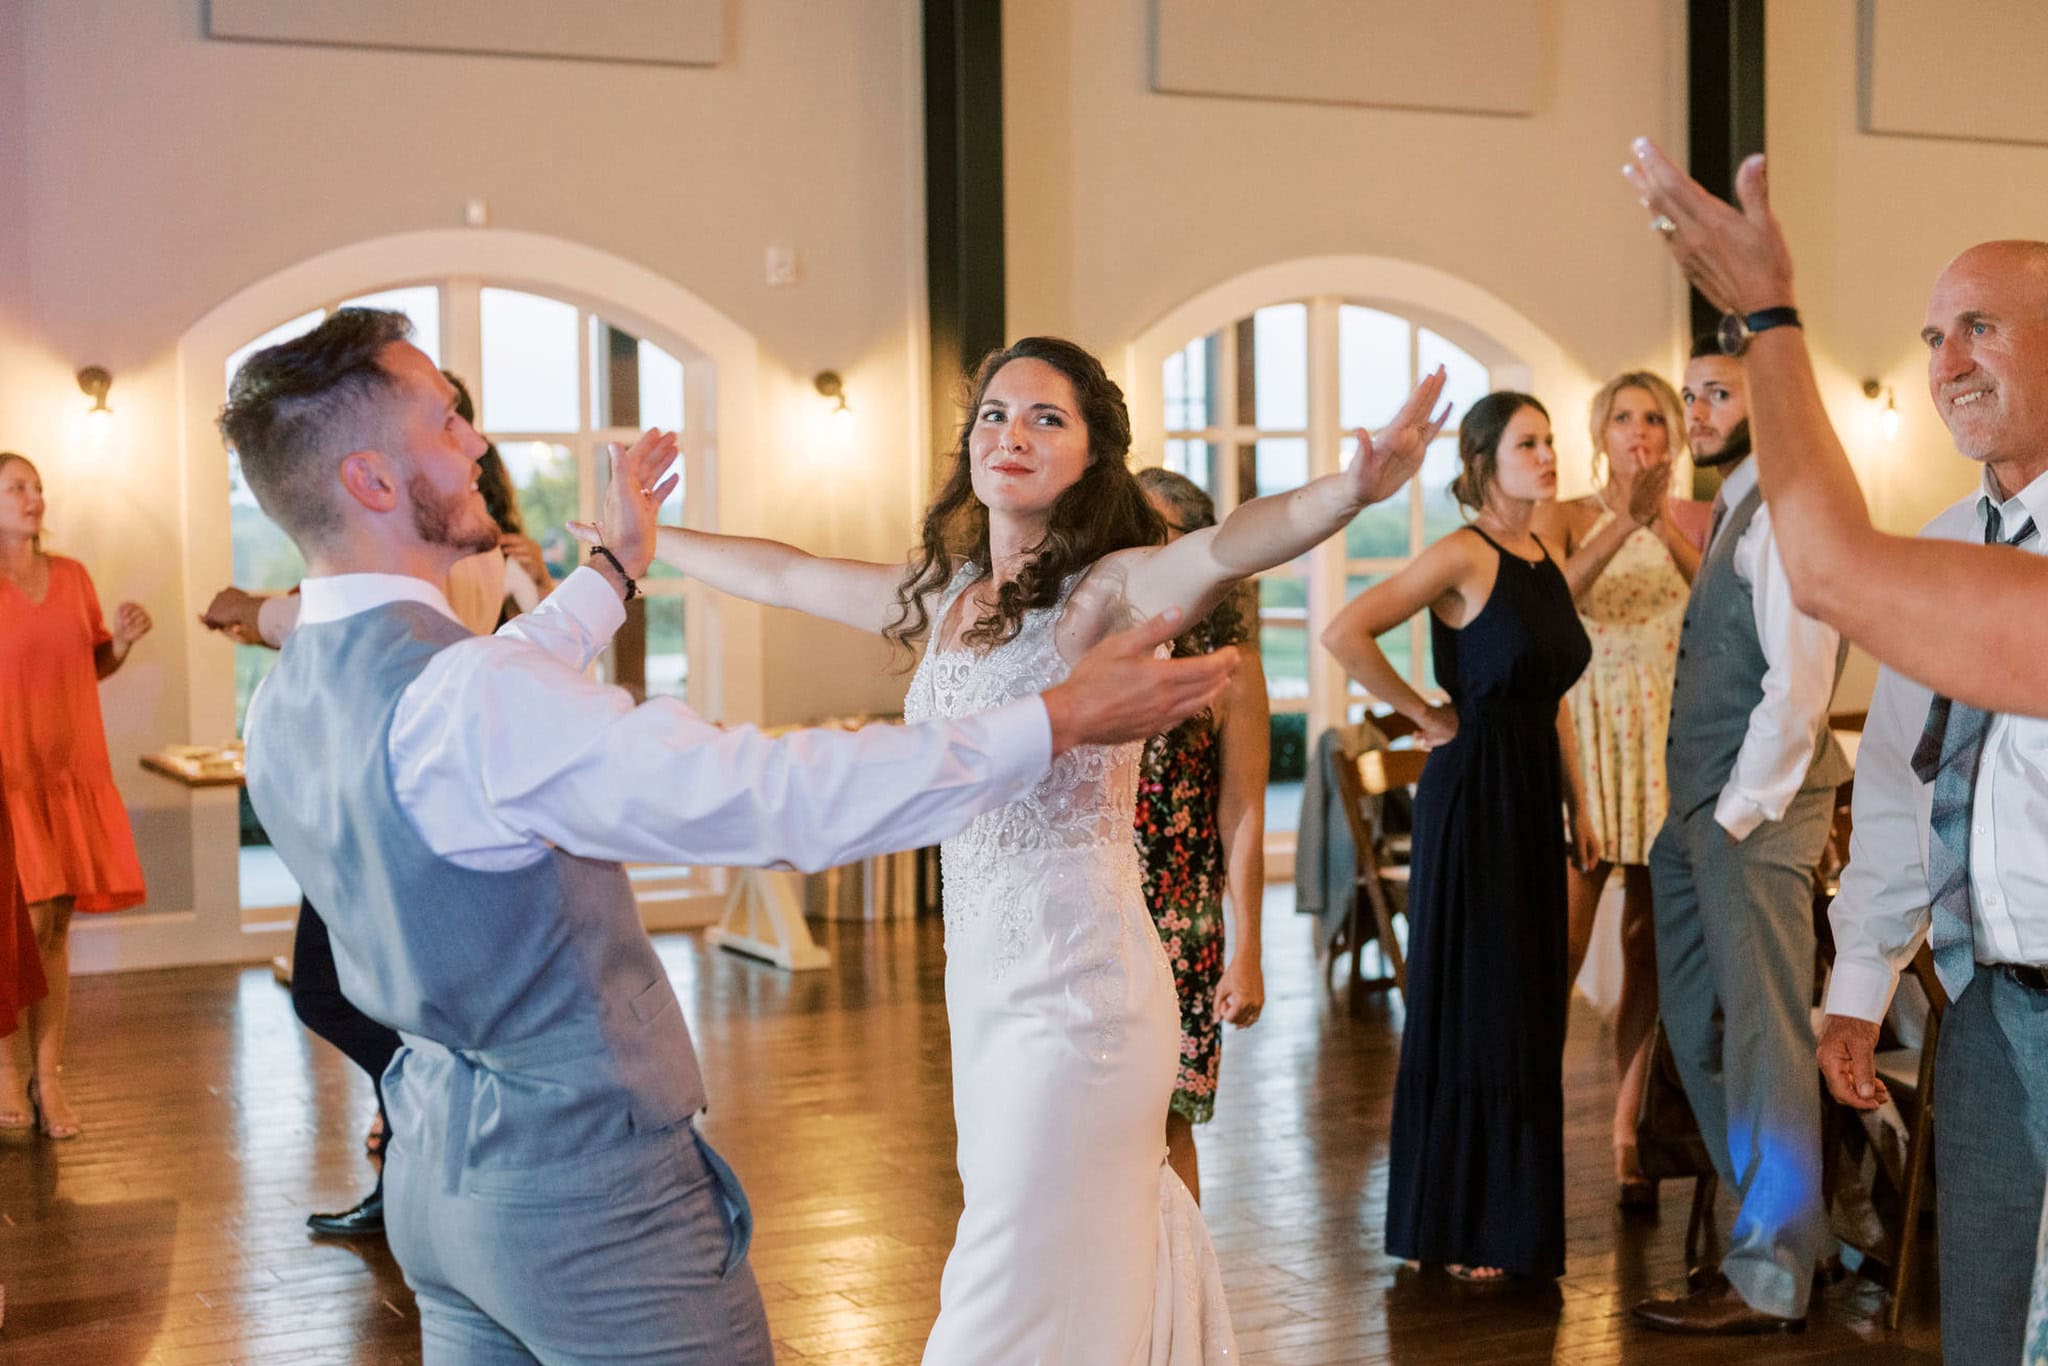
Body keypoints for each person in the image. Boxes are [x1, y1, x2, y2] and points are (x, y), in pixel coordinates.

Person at [220, 308, 1242, 1364]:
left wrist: (616, 568)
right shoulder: (472, 698)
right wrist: (1057, 718)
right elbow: (774, 795)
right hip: (584, 1200)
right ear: (371, 483)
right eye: (444, 423)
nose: (477, 439)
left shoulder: (292, 694)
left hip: (433, 1176)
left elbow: (498, 677)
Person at [613, 335, 1448, 1360]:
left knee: (1008, 1264)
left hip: (1078, 994)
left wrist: (1347, 491)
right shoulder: (943, 596)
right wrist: (643, 542)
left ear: (1093, 456)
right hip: (986, 991)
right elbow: (785, 572)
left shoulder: (1107, 593)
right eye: (995, 415)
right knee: (1052, 1258)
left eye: (1046, 418)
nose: (1012, 434)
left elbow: (1231, 544)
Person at [1624, 138, 2048, 1362]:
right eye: (1929, 338)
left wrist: (1766, 313)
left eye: (1979, 327)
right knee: (1980, 1327)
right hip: (1979, 1005)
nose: (1945, 363)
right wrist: (1858, 983)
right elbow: (1912, 784)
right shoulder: (1948, 534)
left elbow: (1825, 573)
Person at [199, 372, 553, 1239]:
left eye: (455, 424)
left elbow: (543, 659)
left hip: (410, 802)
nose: (462, 443)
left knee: (335, 993)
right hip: (382, 799)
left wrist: (246, 608)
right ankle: (412, 1146)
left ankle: (428, 1121)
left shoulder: (468, 565)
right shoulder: (472, 563)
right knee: (355, 994)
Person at [1322, 391, 1595, 1284]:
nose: (1548, 456)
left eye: (1550, 442)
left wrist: (1580, 805)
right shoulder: (1464, 554)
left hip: (1531, 798)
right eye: (1529, 443)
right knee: (1479, 1001)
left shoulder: (1543, 552)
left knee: (1528, 1001)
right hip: (1473, 791)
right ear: (1482, 461)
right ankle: (1465, 1223)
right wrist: (1419, 713)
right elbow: (1344, 630)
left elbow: (1551, 701)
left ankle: (1508, 1222)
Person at [1621, 337, 1849, 1335]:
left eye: (1716, 394)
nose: (1694, 412)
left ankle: (1768, 1272)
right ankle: (1802, 1236)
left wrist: (1732, 814)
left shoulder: (1790, 510)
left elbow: (1797, 687)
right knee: (1692, 1023)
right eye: (1690, 395)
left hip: (1750, 811)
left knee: (1760, 1034)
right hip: (1698, 813)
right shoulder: (1727, 509)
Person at [1533, 372, 1703, 1210]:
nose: (1641, 432)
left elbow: (1719, 607)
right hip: (1589, 750)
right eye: (1625, 418)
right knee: (1560, 948)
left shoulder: (1693, 519)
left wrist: (1662, 522)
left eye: (1655, 420)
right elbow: (1545, 599)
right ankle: (1527, 1128)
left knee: (1650, 950)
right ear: (1601, 433)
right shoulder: (1565, 514)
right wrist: (1624, 520)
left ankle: (1627, 1134)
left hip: (1667, 748)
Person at [0, 452, 151, 1140]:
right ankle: (7, 1076)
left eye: (36, 487)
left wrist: (117, 641)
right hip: (10, 778)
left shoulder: (71, 577)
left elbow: (93, 664)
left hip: (70, 769)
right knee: (19, 931)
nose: (35, 498)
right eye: (17, 488)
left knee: (56, 929)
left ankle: (48, 1079)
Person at [1132, 467, 1269, 1204]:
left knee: (1167, 1123)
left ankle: (1179, 1311)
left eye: (1156, 536)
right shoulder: (1094, 650)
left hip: (1180, 929)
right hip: (1093, 918)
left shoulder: (1230, 671)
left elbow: (1244, 813)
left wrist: (1247, 952)